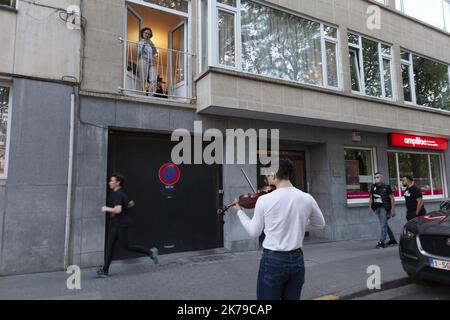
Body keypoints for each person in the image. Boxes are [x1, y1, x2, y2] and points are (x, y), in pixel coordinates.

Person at [233, 159, 325, 300]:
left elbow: (253, 232)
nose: (267, 177)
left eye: (268, 174)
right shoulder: (307, 198)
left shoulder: (264, 200)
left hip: (273, 261)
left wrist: (239, 211)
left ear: (274, 175)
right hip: (297, 260)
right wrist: (298, 225)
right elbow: (320, 224)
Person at [92, 173, 159, 278]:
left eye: (112, 180)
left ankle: (150, 252)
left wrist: (107, 209)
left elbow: (118, 209)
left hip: (121, 224)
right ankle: (104, 271)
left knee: (127, 247)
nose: (110, 182)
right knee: (109, 246)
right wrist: (121, 208)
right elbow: (131, 203)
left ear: (117, 183)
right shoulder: (121, 192)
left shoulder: (118, 194)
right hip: (117, 224)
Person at [368, 172, 397, 249]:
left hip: (384, 208)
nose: (376, 179)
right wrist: (370, 207)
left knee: (383, 224)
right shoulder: (373, 186)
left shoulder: (386, 187)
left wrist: (393, 210)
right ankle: (393, 240)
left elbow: (392, 198)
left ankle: (382, 242)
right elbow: (371, 197)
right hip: (376, 208)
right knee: (384, 224)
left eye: (378, 177)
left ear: (381, 178)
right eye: (375, 177)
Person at [136, 27, 158, 95]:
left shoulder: (151, 43)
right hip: (143, 60)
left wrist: (152, 45)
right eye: (146, 33)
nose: (147, 35)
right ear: (142, 33)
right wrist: (143, 44)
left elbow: (155, 52)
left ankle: (151, 96)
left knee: (153, 79)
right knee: (143, 78)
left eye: (149, 34)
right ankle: (142, 94)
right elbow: (139, 53)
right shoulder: (139, 42)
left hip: (152, 61)